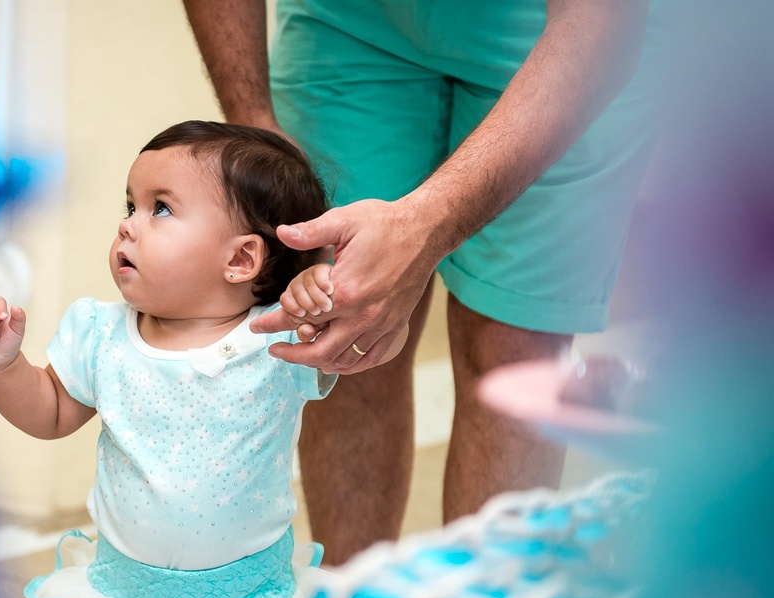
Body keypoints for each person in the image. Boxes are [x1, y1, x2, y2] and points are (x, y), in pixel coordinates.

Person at [182, 0, 662, 564]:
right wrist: (255, 123)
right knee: (341, 326)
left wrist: (422, 228)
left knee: (513, 353)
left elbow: (599, 28)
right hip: (349, 22)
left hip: (559, 30)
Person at [0, 121, 334, 598]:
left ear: (242, 260)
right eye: (128, 205)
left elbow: (361, 349)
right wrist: (4, 365)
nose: (129, 226)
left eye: (159, 208)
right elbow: (48, 412)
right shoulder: (103, 335)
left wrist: (323, 306)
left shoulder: (280, 340)